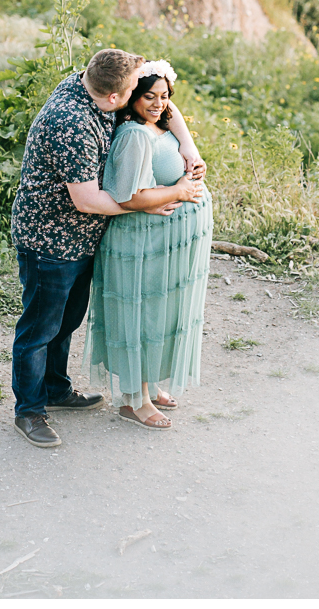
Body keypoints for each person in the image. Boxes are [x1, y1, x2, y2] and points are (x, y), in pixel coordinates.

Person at [10, 48, 205, 448]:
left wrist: (187, 145)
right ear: (115, 99)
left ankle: (56, 389)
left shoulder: (96, 82)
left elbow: (165, 102)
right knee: (40, 328)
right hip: (51, 238)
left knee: (66, 321)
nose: (144, 97)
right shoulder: (72, 123)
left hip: (83, 235)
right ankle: (29, 411)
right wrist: (151, 199)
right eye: (136, 90)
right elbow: (87, 201)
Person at [84, 60, 213, 430]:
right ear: (131, 97)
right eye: (149, 97)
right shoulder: (134, 135)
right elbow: (127, 197)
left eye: (164, 96)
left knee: (160, 312)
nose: (158, 104)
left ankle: (151, 384)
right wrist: (180, 190)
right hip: (142, 243)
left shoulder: (158, 124)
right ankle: (134, 401)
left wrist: (188, 147)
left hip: (165, 244)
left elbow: (169, 111)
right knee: (141, 315)